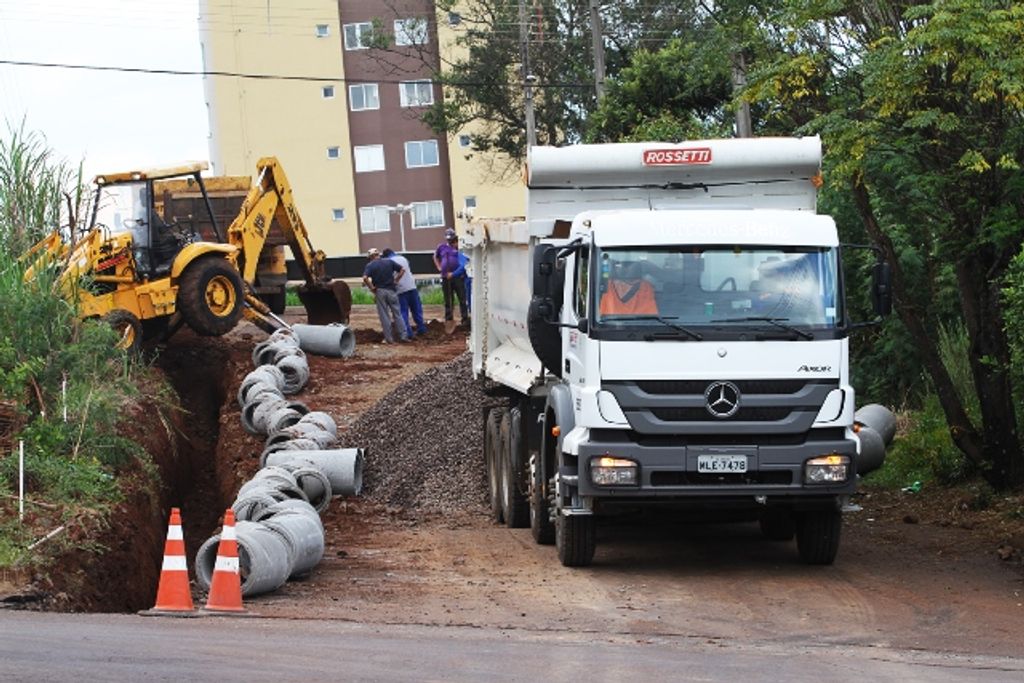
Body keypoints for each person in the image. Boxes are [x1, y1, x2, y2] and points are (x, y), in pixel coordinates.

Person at [362, 247, 409, 343]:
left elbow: (365, 278)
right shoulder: (389, 262)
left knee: (384, 316)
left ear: (370, 257)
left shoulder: (370, 265)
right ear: (378, 255)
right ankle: (403, 336)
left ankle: (389, 339)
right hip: (392, 291)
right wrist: (396, 280)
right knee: (397, 314)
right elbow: (402, 270)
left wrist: (372, 288)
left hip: (380, 291)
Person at [382, 247, 428, 338]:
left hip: (400, 290)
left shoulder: (388, 262)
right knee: (416, 309)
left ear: (386, 256)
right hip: (412, 287)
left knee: (403, 312)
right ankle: (421, 328)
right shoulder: (403, 258)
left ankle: (408, 333)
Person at [433, 228, 468, 326]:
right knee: (448, 299)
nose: (450, 240)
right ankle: (449, 319)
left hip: (457, 276)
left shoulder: (458, 247)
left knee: (462, 298)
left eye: (451, 238)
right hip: (445, 277)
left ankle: (464, 319)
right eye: (448, 238)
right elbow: (435, 257)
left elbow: (463, 260)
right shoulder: (441, 247)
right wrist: (439, 267)